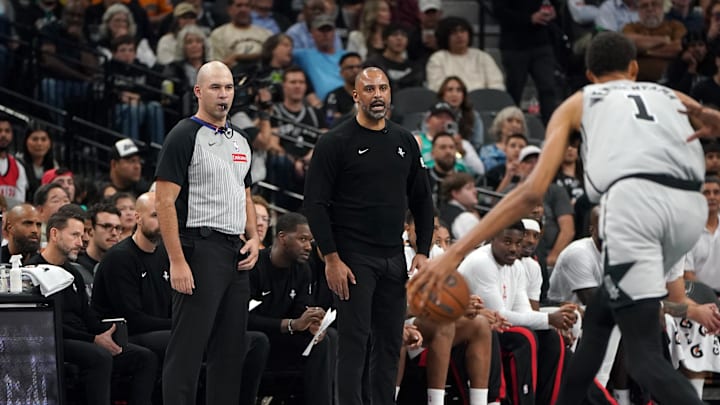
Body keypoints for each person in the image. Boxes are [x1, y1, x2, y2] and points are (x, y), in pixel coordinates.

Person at [411, 31, 716, 405]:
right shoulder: (669, 95)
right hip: (690, 211)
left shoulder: (580, 101)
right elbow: (712, 121)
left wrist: (456, 254)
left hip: (640, 210)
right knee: (604, 314)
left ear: (589, 75)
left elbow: (531, 192)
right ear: (634, 69)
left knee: (644, 354)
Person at [304, 66, 434, 405]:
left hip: (394, 255)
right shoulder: (335, 142)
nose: (378, 95)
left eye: (383, 88)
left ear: (390, 93)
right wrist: (331, 258)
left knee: (391, 342)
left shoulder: (405, 140)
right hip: (352, 256)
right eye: (370, 89)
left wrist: (423, 251)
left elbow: (422, 198)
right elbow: (315, 205)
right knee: (354, 341)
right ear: (356, 95)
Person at [155, 60, 260, 405]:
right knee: (187, 349)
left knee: (230, 352)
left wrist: (255, 238)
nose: (224, 94)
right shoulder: (184, 134)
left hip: (236, 252)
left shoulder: (241, 140)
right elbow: (164, 202)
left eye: (229, 87)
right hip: (199, 249)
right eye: (215, 87)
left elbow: (245, 194)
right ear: (198, 91)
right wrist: (177, 261)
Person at [27, 204, 157, 405]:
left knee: (144, 357)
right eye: (75, 235)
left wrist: (107, 333)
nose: (81, 242)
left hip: (85, 337)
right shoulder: (32, 272)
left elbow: (87, 315)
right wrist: (94, 339)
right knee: (99, 356)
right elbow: (45, 324)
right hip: (55, 339)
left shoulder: (74, 273)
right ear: (54, 234)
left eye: (82, 235)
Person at [248, 212, 336, 405]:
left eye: (310, 240)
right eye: (302, 239)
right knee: (259, 341)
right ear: (282, 237)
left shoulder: (302, 269)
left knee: (327, 338)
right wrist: (292, 324)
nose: (308, 246)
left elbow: (301, 308)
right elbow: (245, 319)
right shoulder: (255, 266)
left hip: (285, 340)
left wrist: (312, 322)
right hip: (255, 341)